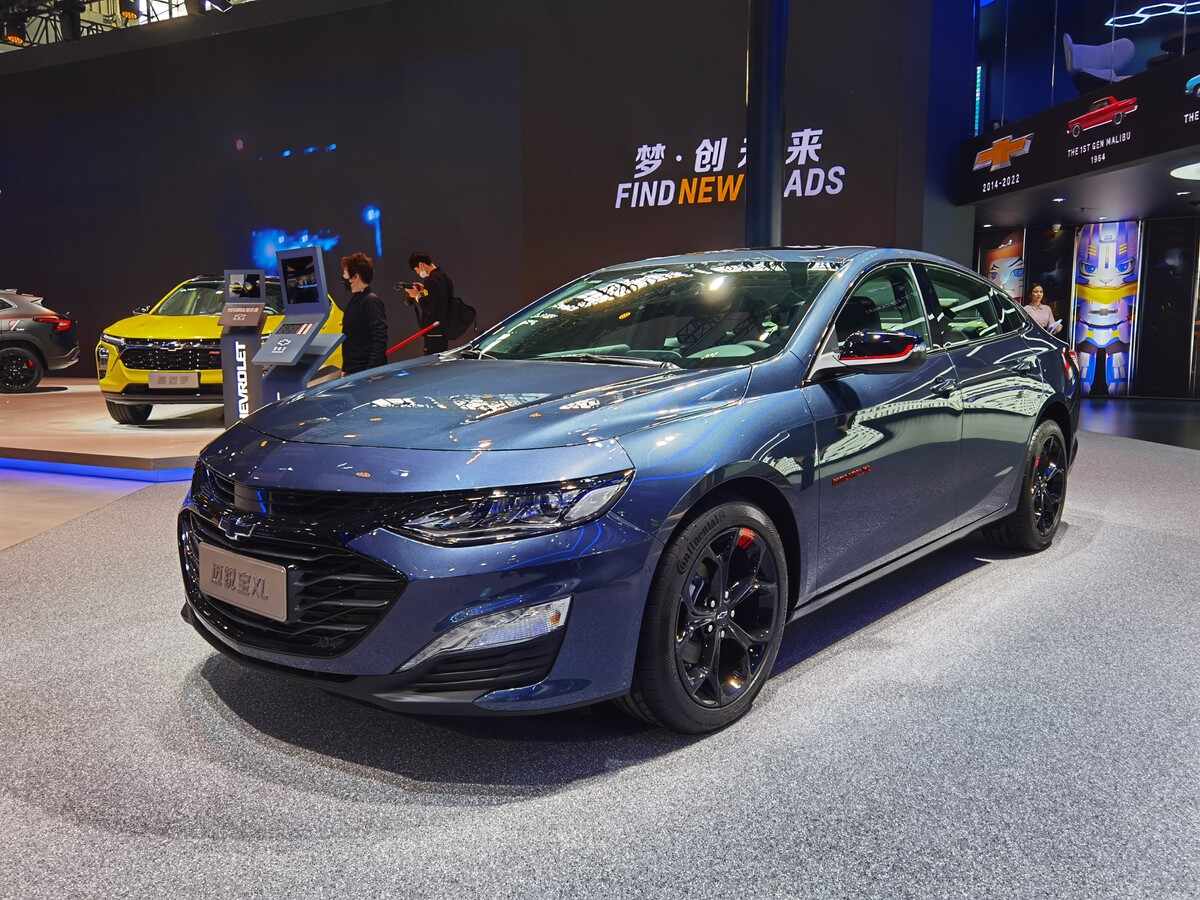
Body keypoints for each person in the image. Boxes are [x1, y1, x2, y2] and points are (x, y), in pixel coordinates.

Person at [339, 252, 388, 374]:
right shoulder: (355, 300)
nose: (344, 278)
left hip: (365, 373)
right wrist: (345, 368)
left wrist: (370, 372)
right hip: (353, 370)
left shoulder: (371, 301)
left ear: (356, 276)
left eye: (346, 274)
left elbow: (379, 339)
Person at [404, 252, 452, 354]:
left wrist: (416, 296)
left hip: (433, 332)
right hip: (443, 331)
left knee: (431, 361)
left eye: (416, 270)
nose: (418, 273)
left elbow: (429, 308)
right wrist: (423, 291)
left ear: (421, 265)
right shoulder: (444, 277)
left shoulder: (430, 280)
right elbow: (437, 299)